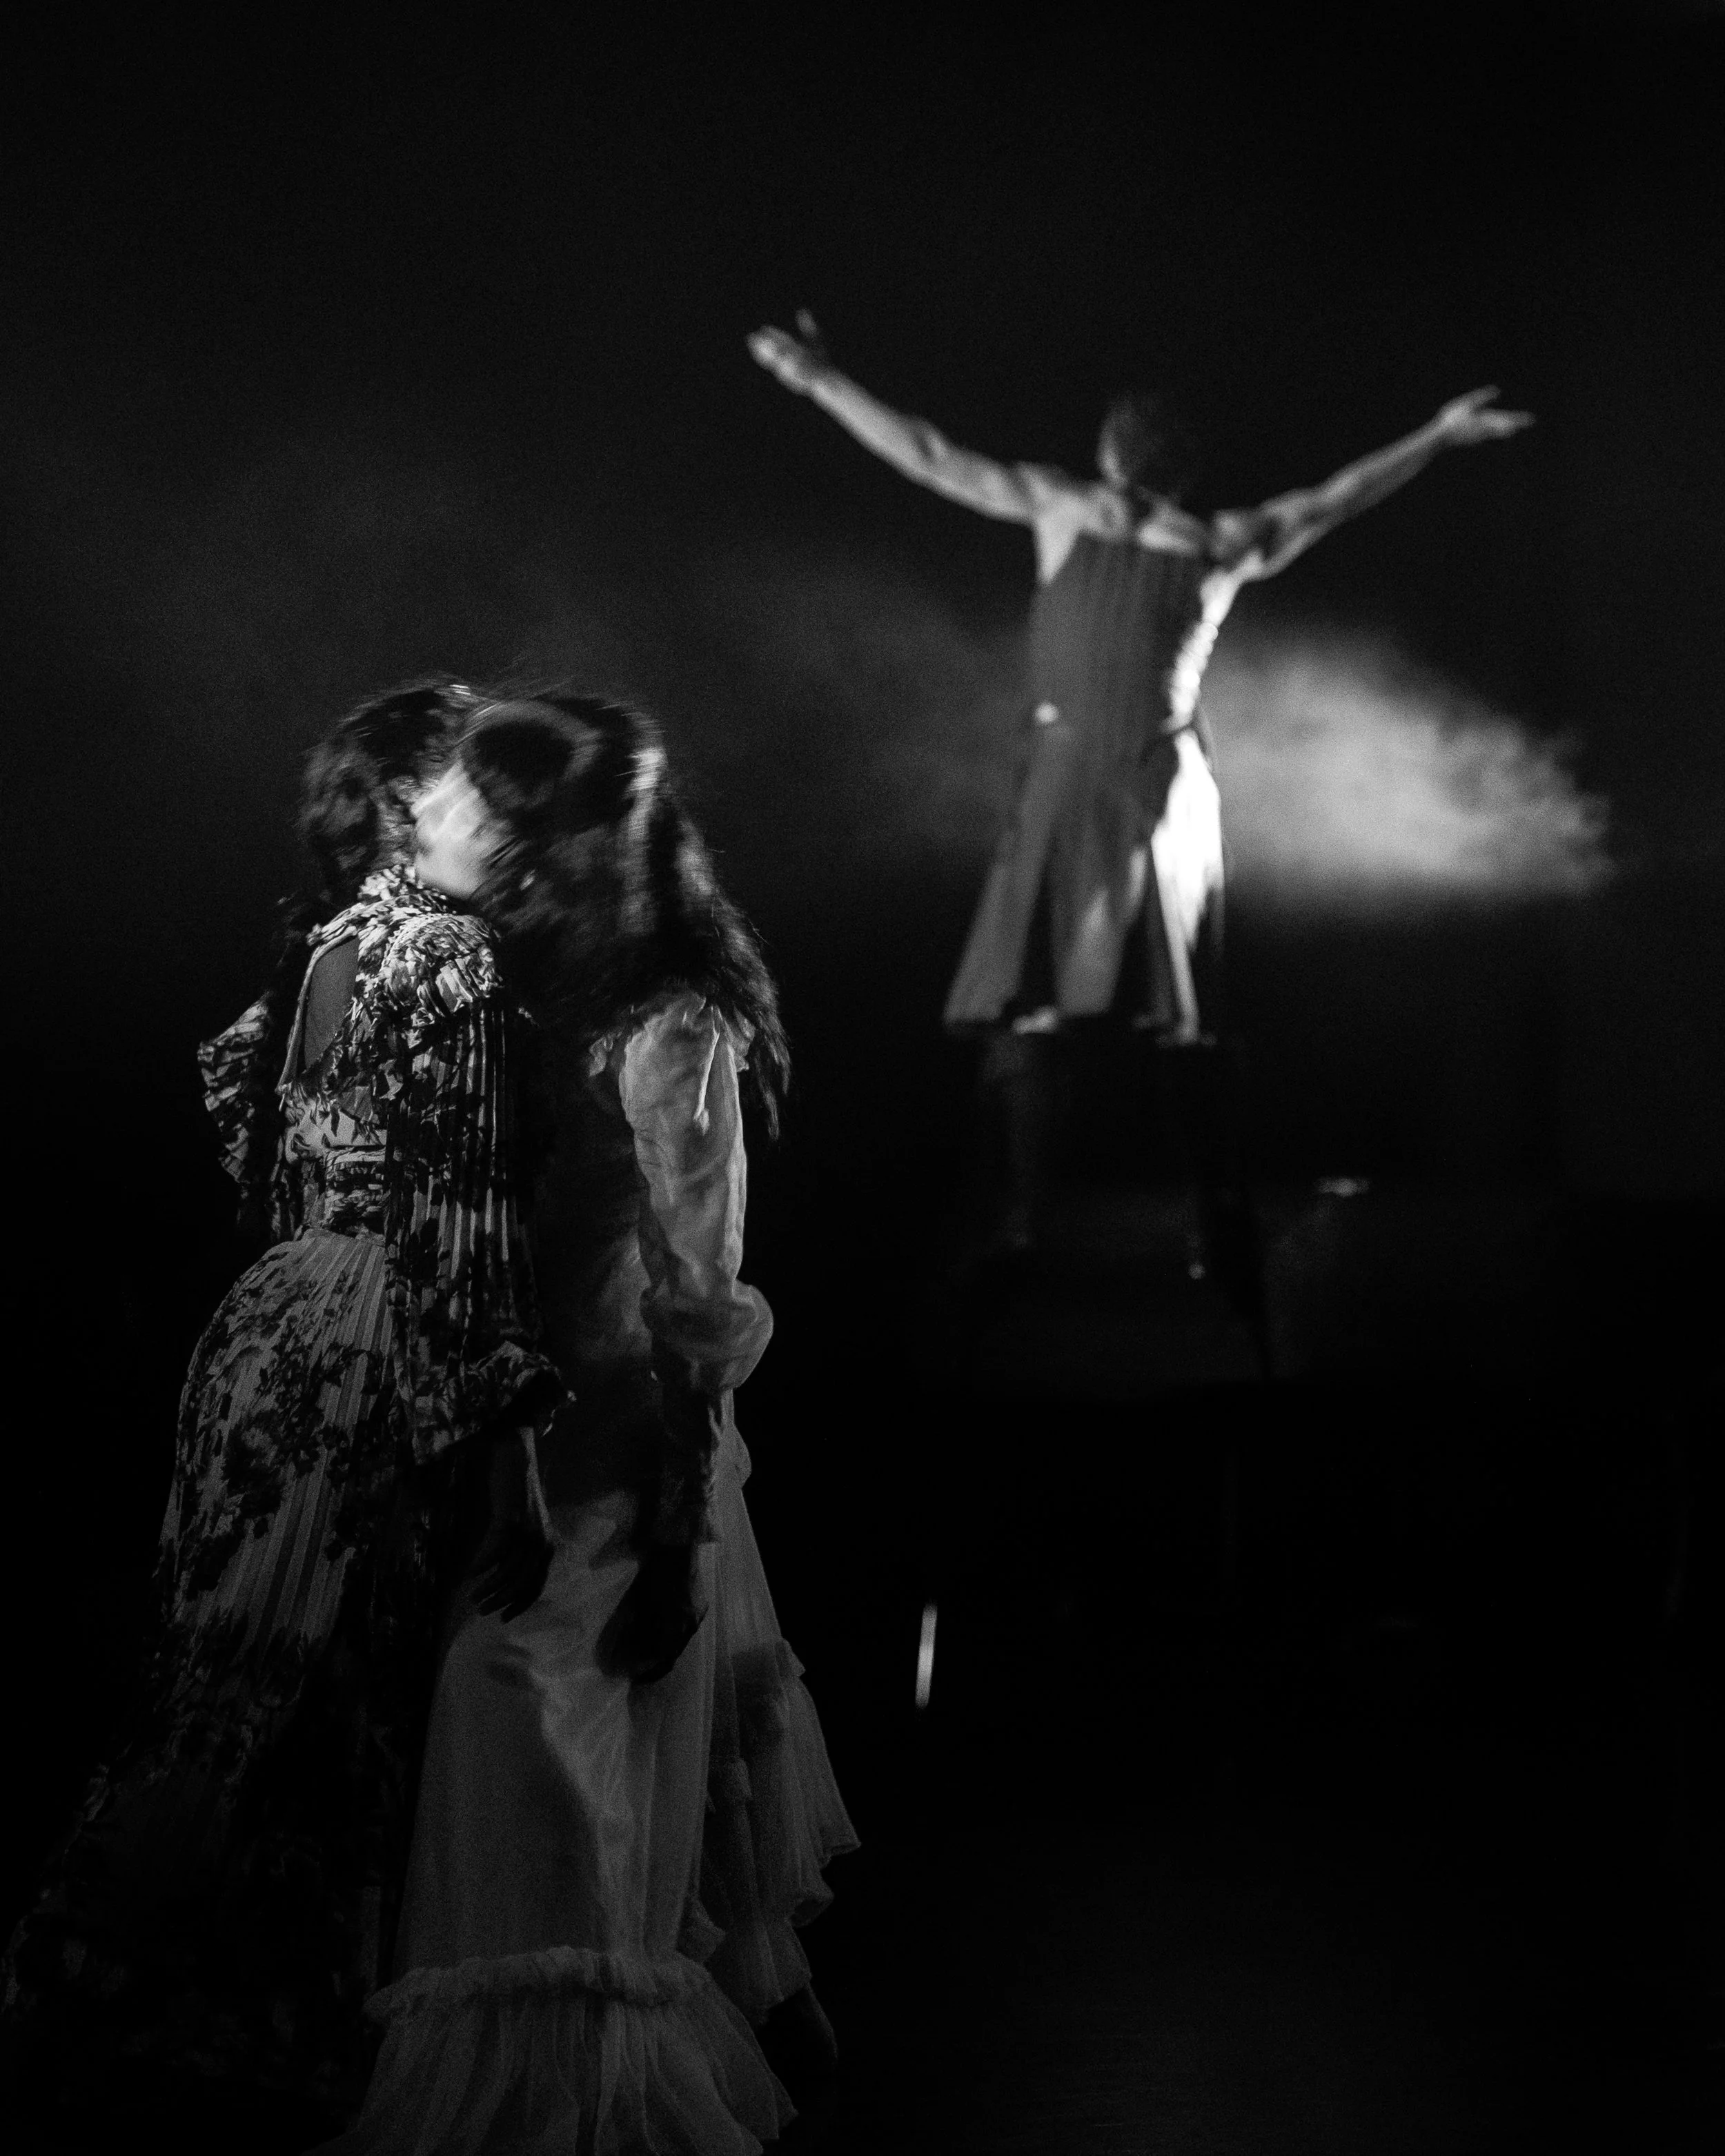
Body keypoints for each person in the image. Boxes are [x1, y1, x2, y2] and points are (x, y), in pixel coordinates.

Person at [0, 675, 552, 2129]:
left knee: (222, 1682)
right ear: (402, 803)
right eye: (485, 796)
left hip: (262, 1326)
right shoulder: (451, 961)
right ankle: (219, 2034)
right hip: (369, 1335)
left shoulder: (324, 948)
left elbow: (252, 1125)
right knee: (320, 1706)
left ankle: (109, 2009)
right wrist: (515, 1470)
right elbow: (464, 1232)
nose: (515, 831)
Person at [317, 693, 854, 2155]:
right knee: (532, 1790)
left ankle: (580, 2100)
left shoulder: (668, 1022)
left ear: (558, 838)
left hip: (619, 1460)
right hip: (503, 1438)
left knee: (559, 1779)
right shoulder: (492, 980)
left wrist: (677, 1523)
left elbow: (696, 1294)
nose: (461, 834)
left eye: (492, 813)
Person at [750, 319, 1530, 1260]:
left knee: (1043, 1003)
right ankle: (1203, 1216)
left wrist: (816, 376)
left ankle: (1031, 1222)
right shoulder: (1222, 542)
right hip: (1168, 783)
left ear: (1112, 454)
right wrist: (1438, 434)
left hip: (1082, 771)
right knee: (1183, 1019)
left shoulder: (1067, 508)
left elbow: (925, 453)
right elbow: (1335, 499)